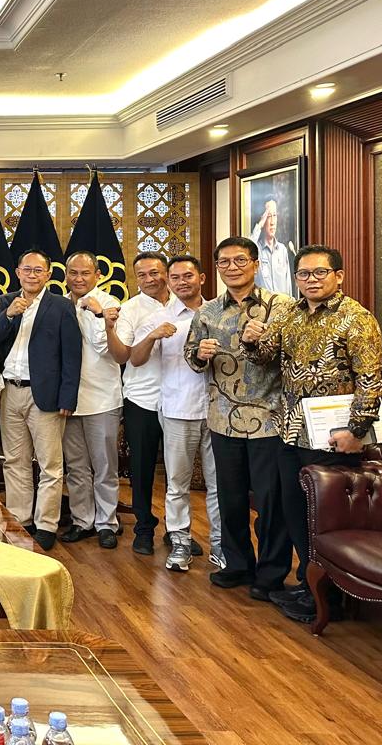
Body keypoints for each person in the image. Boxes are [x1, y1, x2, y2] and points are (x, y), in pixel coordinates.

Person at [242, 244, 382, 624]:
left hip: (334, 437)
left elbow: (370, 379)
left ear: (339, 275)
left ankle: (331, 599)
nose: (311, 280)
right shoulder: (291, 314)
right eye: (303, 274)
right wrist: (251, 339)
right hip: (292, 432)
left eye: (320, 272)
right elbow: (264, 357)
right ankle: (310, 586)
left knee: (326, 518)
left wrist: (356, 430)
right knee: (297, 515)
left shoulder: (356, 318)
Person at [184, 236, 293, 596]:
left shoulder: (281, 308)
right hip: (222, 418)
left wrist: (260, 342)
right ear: (216, 268)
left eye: (240, 260)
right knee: (229, 499)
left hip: (270, 419)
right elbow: (191, 357)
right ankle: (237, 565)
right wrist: (199, 354)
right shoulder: (208, 312)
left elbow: (290, 358)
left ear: (256, 264)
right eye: (224, 262)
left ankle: (271, 574)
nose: (232, 267)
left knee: (270, 502)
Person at [130, 255, 221, 573]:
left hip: (219, 412)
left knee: (219, 484)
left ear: (202, 278)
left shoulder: (219, 312)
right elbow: (135, 359)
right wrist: (152, 336)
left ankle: (220, 545)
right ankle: (180, 540)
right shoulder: (159, 317)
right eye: (176, 277)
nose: (182, 282)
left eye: (188, 276)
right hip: (178, 409)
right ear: (169, 281)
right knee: (177, 484)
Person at [0, 249, 81, 551]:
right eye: (27, 269)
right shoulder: (7, 301)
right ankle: (20, 519)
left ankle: (46, 525)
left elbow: (72, 355)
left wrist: (68, 396)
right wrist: (9, 315)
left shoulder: (61, 306)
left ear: (48, 275)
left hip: (46, 394)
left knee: (50, 465)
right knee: (15, 461)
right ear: (17, 273)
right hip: (10, 391)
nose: (32, 275)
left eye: (38, 270)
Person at [105, 251, 172, 555]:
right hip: (142, 399)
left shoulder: (186, 305)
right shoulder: (130, 309)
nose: (149, 279)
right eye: (142, 275)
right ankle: (144, 528)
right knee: (142, 469)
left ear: (166, 273)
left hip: (181, 401)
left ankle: (178, 530)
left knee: (177, 472)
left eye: (154, 272)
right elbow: (123, 356)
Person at [59, 251, 124, 549]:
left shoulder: (110, 304)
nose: (79, 278)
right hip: (68, 399)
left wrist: (96, 313)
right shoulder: (59, 304)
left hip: (102, 398)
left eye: (85, 273)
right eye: (73, 272)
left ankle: (107, 523)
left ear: (97, 275)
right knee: (76, 466)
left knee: (105, 465)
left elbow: (104, 347)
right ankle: (82, 520)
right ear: (65, 275)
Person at [252, 199, 294, 295]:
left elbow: (288, 283)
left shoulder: (282, 250)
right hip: (262, 303)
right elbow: (246, 247)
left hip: (282, 303)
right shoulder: (256, 249)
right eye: (268, 216)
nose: (272, 222)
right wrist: (260, 224)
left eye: (274, 215)